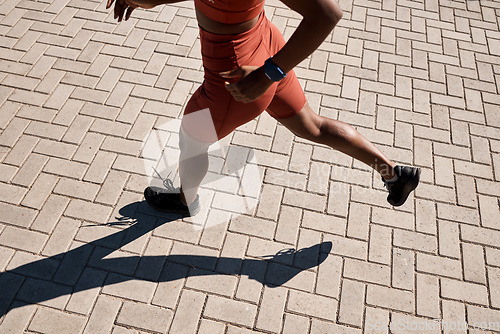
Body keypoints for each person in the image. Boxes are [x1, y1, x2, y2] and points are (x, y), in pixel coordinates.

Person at [107, 0, 421, 216]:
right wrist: (273, 70)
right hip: (265, 47)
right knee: (311, 126)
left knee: (190, 139)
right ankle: (392, 173)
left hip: (234, 78)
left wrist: (267, 75)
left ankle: (185, 199)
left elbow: (327, 15)